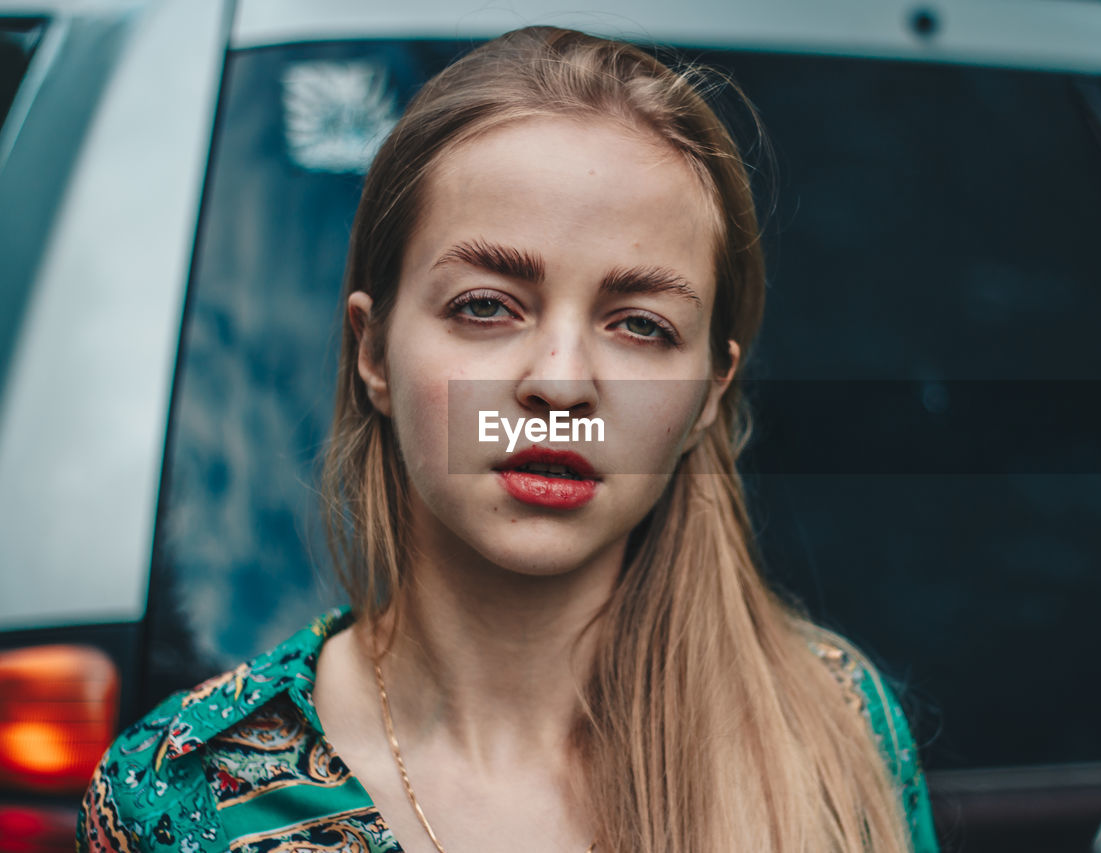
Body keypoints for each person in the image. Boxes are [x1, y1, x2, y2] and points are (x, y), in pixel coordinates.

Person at [78, 26, 939, 853]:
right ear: (372, 350)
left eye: (640, 325)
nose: (561, 383)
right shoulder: (183, 795)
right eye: (485, 305)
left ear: (709, 393)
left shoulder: (833, 728)